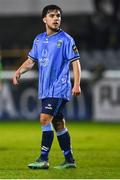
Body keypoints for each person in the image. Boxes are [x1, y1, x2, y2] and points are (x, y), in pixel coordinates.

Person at [13, 4, 81, 170]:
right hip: (45, 88)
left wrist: (77, 84)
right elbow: (31, 61)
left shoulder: (66, 39)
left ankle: (43, 159)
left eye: (58, 15)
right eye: (52, 15)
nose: (56, 18)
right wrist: (19, 71)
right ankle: (69, 159)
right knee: (58, 123)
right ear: (44, 19)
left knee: (44, 118)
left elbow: (76, 62)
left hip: (59, 88)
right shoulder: (39, 39)